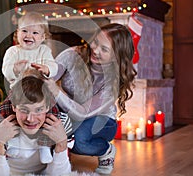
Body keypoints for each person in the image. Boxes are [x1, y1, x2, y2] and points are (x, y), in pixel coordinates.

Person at [46, 23, 137, 175]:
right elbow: (49, 77)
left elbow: (82, 113)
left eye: (104, 49)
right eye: (95, 42)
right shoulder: (72, 55)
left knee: (79, 139)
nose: (95, 50)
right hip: (69, 112)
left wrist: (56, 91)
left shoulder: (112, 82)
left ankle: (106, 151)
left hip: (99, 120)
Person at [0, 71, 72, 175]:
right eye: (24, 110)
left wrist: (61, 143)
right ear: (14, 106)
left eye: (38, 110)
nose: (30, 119)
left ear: (47, 107)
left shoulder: (61, 123)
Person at [2, 11, 58, 163]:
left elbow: (53, 66)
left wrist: (47, 69)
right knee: (6, 113)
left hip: (41, 92)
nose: (29, 35)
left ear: (42, 37)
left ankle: (44, 146)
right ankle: (12, 143)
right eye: (24, 31)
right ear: (17, 33)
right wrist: (15, 70)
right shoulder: (13, 51)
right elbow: (5, 70)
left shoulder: (44, 51)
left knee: (52, 115)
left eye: (35, 32)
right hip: (18, 92)